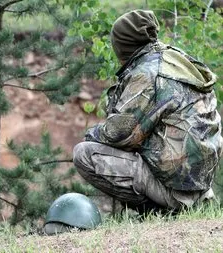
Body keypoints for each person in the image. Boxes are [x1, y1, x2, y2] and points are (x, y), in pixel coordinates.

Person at [73, 10, 223, 214]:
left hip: (176, 190)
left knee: (84, 154)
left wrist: (92, 134)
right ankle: (188, 203)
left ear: (123, 45)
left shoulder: (147, 74)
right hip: (197, 183)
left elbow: (117, 134)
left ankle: (161, 212)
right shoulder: (174, 59)